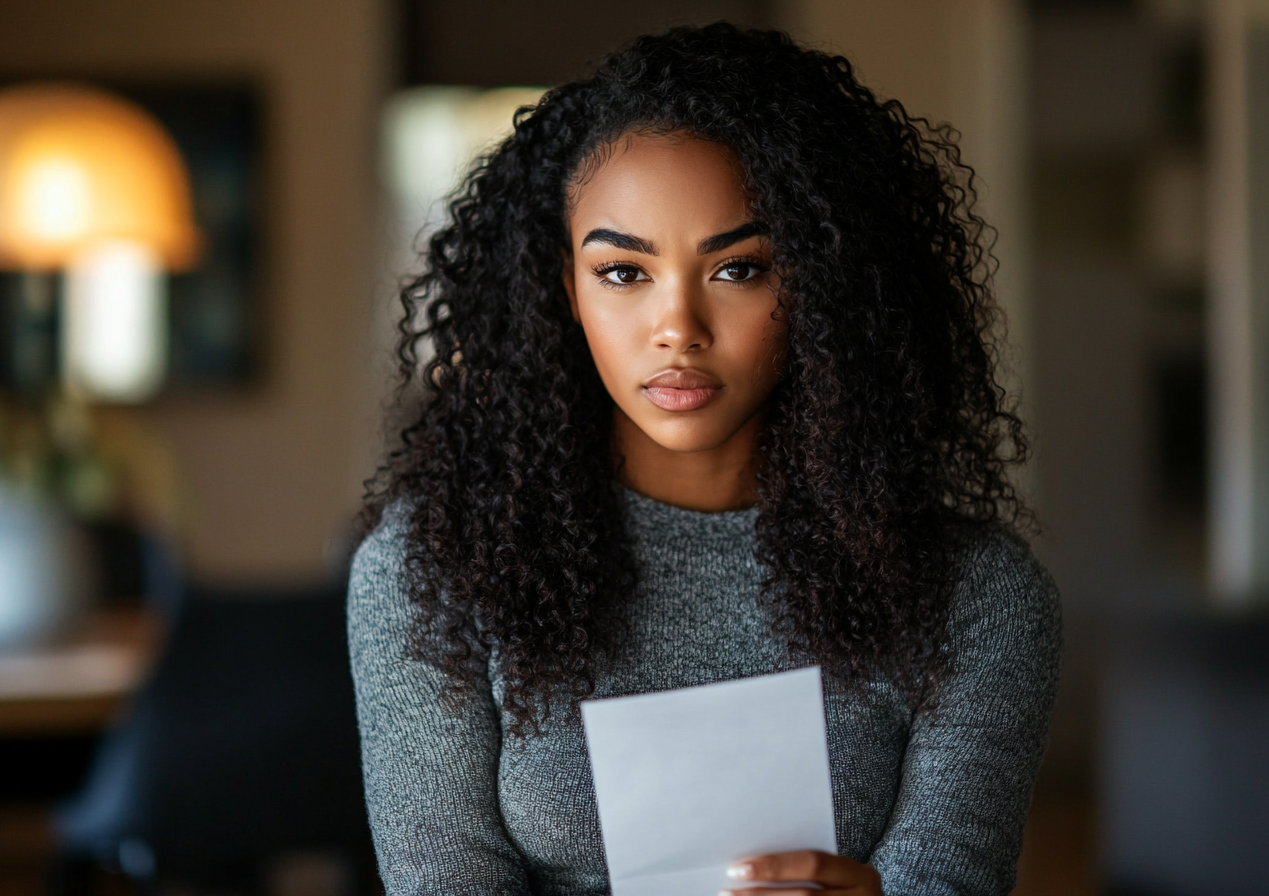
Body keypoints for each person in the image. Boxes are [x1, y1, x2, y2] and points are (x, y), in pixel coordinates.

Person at [348, 23, 1061, 896]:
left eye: (740, 269)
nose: (677, 325)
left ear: (828, 284)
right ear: (562, 289)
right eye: (623, 273)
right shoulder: (434, 572)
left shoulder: (975, 596)